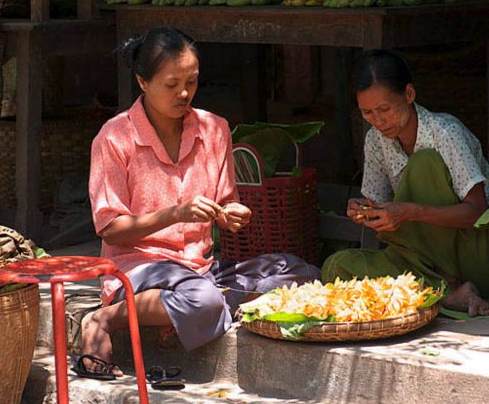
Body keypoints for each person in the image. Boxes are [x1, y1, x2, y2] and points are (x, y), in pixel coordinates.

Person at [79, 27, 320, 378]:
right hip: (139, 268)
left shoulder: (214, 129)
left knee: (302, 275)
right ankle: (105, 317)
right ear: (143, 83)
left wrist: (233, 215)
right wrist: (175, 213)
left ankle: (189, 312)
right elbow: (111, 229)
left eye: (191, 81)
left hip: (199, 270)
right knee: (203, 300)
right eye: (171, 84)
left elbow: (225, 203)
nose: (184, 93)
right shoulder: (114, 138)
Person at [321, 49, 489, 317]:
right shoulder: (376, 141)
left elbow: (477, 212)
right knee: (336, 267)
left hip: (476, 254)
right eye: (368, 112)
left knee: (424, 163)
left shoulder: (445, 132)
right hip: (425, 261)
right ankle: (447, 292)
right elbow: (379, 206)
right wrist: (365, 211)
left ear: (409, 95)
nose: (378, 120)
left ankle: (443, 288)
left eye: (385, 109)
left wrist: (410, 211)